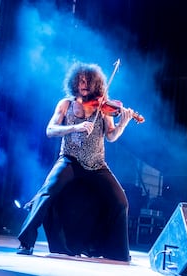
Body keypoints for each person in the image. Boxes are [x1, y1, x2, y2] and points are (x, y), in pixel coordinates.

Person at [16, 61, 134, 262]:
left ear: (96, 83)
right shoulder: (66, 104)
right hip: (70, 159)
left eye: (88, 80)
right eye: (80, 80)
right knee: (47, 192)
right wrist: (74, 128)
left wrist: (122, 124)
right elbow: (50, 130)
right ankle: (26, 242)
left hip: (97, 164)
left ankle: (117, 252)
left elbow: (111, 136)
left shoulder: (103, 107)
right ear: (74, 83)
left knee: (121, 201)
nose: (84, 83)